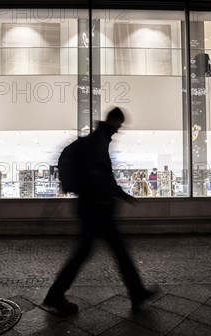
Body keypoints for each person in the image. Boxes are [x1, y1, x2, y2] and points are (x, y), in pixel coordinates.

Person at [43, 107, 159, 314]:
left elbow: (102, 174)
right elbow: (100, 175)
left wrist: (118, 194)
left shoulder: (97, 139)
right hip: (97, 209)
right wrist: (113, 196)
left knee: (106, 252)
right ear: (114, 121)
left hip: (93, 207)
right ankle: (55, 295)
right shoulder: (99, 141)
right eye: (120, 124)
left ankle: (136, 291)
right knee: (109, 252)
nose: (119, 129)